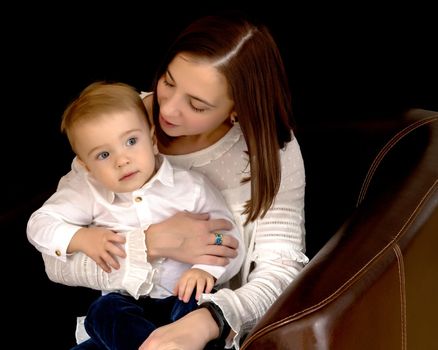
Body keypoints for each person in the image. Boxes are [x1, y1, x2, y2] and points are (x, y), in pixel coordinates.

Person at [38, 12, 309, 350]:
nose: (168, 110)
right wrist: (150, 244)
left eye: (196, 105)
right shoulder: (118, 125)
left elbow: (281, 270)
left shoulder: (270, 150)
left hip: (213, 326)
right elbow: (56, 261)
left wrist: (212, 318)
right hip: (125, 319)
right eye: (168, 82)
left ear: (237, 109)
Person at [26, 81, 244, 349]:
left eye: (131, 141)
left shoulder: (191, 187)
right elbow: (39, 225)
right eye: (104, 154)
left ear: (152, 140)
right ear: (86, 166)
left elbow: (229, 237)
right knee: (103, 311)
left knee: (198, 306)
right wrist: (80, 237)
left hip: (184, 298)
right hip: (126, 303)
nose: (122, 159)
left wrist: (205, 270)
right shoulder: (87, 192)